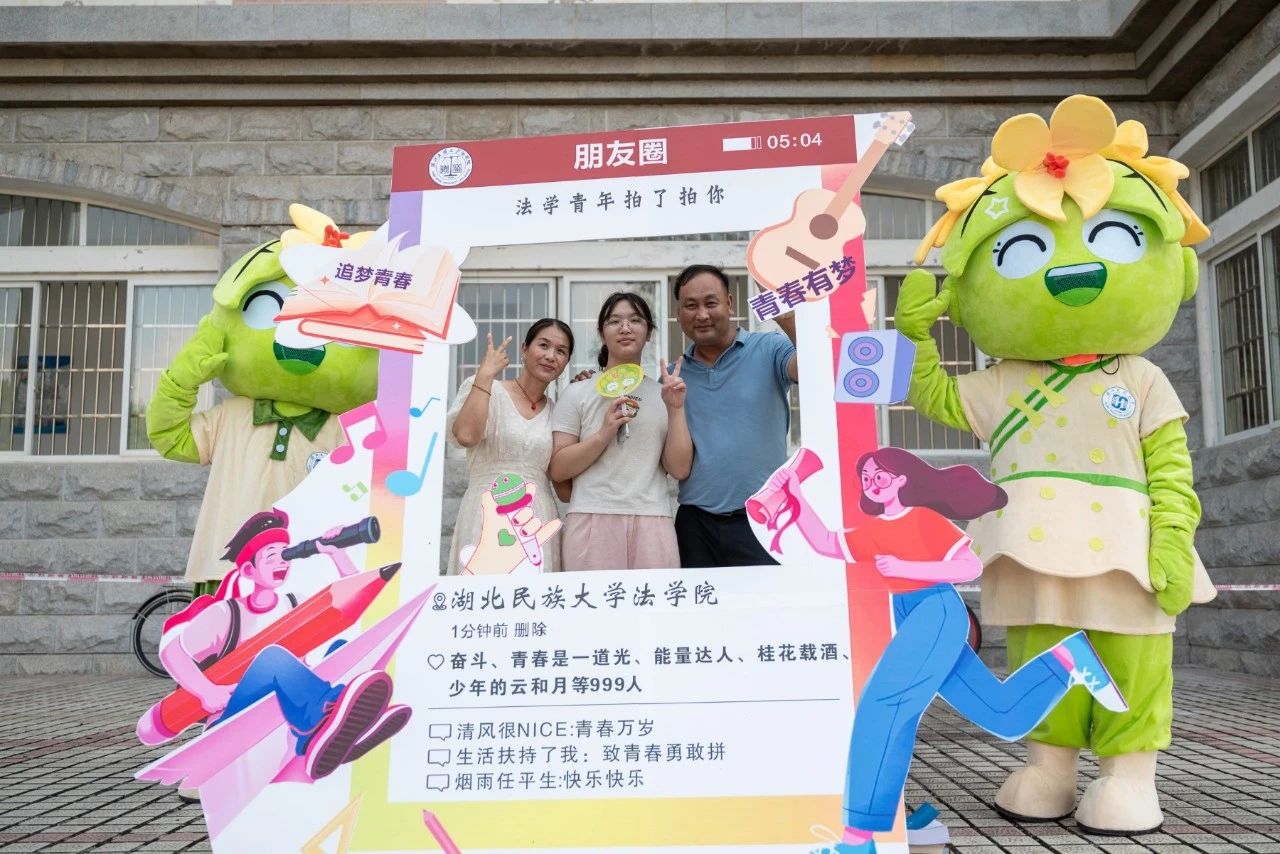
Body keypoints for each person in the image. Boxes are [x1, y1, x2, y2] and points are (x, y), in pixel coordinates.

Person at [769, 447, 1127, 854]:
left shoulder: (922, 519)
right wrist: (795, 492)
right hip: (913, 614)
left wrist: (907, 568)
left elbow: (968, 567)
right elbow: (826, 542)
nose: (872, 483)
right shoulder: (874, 529)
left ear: (901, 479)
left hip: (935, 610)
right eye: (866, 477)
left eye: (880, 475)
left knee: (882, 707)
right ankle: (1065, 662)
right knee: (1003, 713)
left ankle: (859, 840)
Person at [160, 509, 410, 782]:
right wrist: (206, 691)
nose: (282, 561)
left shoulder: (294, 603)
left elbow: (353, 596)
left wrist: (335, 552)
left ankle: (331, 735)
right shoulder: (226, 614)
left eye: (285, 554)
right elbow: (172, 652)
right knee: (273, 659)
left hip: (284, 710)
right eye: (271, 556)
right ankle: (321, 723)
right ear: (249, 570)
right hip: (232, 716)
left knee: (340, 648)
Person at [549, 292, 690, 570]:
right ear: (601, 333)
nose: (625, 328)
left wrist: (675, 409)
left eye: (635, 320)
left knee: (653, 599)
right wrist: (604, 433)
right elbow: (558, 469)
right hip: (591, 516)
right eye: (614, 321)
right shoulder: (577, 392)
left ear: (649, 332)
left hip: (652, 518)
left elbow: (680, 469)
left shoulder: (665, 393)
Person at [672, 264, 798, 567]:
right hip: (695, 524)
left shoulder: (770, 348)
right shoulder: (674, 376)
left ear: (729, 303)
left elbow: (812, 367)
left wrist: (787, 318)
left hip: (764, 518)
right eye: (691, 305)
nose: (702, 314)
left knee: (768, 598)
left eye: (710, 302)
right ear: (679, 313)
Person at [447, 319, 574, 574]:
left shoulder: (558, 412)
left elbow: (564, 484)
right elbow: (466, 436)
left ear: (566, 362)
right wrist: (485, 375)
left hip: (536, 518)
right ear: (524, 349)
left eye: (561, 351)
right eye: (543, 345)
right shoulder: (487, 387)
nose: (551, 356)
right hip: (486, 511)